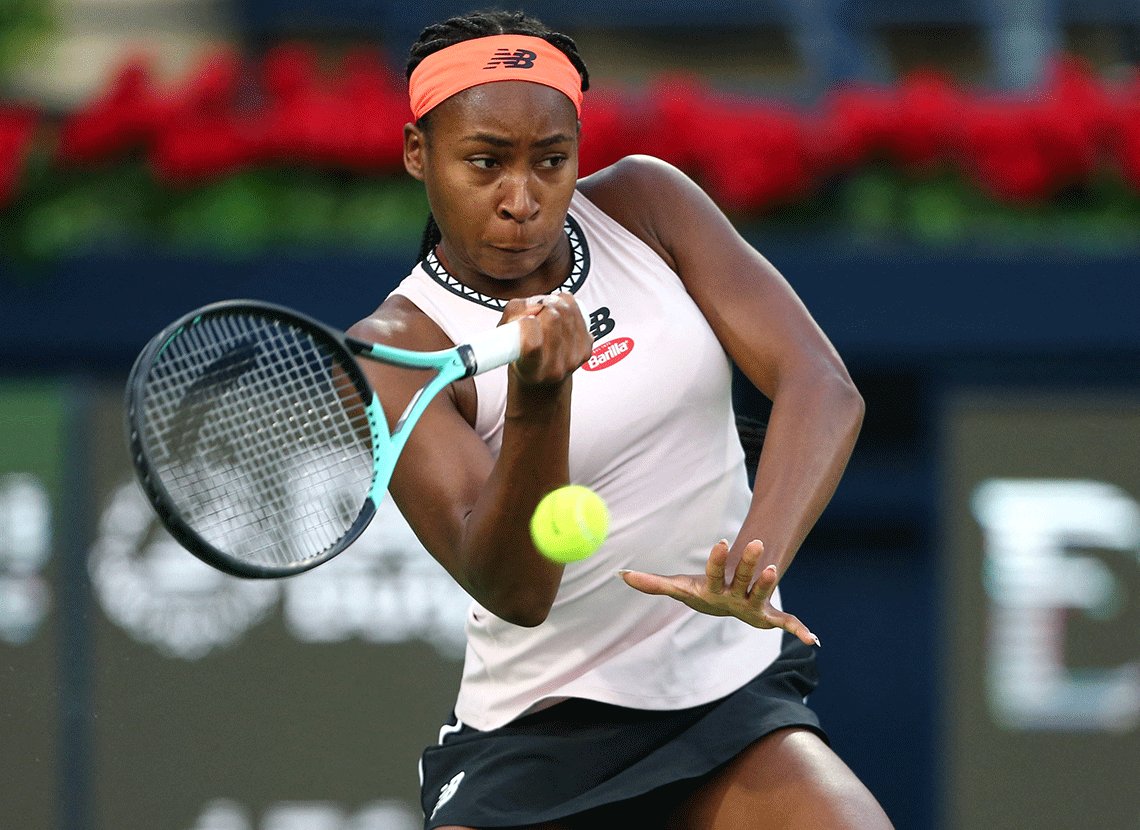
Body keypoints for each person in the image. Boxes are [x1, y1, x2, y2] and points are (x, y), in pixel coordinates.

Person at [345, 10, 893, 829]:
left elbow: (819, 383)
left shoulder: (647, 203)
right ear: (418, 153)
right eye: (484, 163)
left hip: (722, 692)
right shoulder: (394, 348)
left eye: (551, 161)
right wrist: (539, 397)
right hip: (535, 734)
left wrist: (752, 569)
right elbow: (512, 588)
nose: (521, 200)